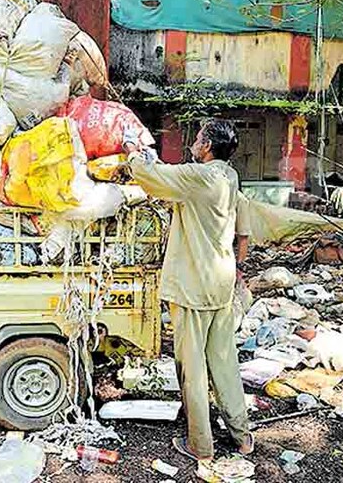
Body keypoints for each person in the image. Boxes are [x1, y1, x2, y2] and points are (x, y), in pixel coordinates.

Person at [122, 119, 253, 461]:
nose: (194, 143)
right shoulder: (228, 176)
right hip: (221, 284)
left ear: (207, 145)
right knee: (223, 363)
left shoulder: (200, 177)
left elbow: (154, 178)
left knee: (192, 368)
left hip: (194, 286)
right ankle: (242, 437)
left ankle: (201, 445)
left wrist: (133, 155)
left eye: (197, 139)